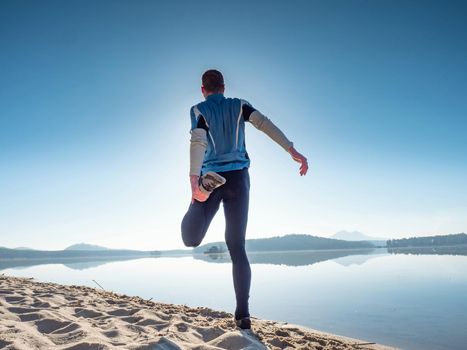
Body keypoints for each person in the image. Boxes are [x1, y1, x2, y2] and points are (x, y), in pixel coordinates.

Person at [181, 69, 308, 330]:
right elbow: (264, 123)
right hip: (239, 179)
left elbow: (198, 140)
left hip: (212, 177)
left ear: (203, 89)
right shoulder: (240, 105)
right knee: (236, 246)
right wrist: (291, 149)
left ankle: (199, 197)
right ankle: (243, 315)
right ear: (223, 87)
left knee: (191, 239)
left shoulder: (199, 109)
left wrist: (194, 179)